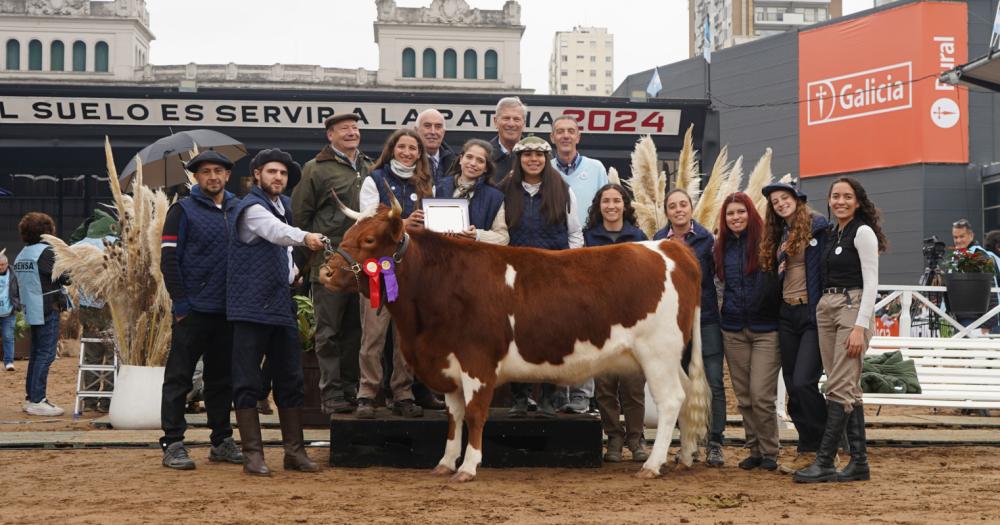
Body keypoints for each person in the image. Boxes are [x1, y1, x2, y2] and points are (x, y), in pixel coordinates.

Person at [229, 148, 325, 476]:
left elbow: (280, 248)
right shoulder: (251, 207)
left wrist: (293, 272)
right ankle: (253, 455)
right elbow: (275, 233)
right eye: (271, 172)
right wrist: (306, 237)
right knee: (246, 380)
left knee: (291, 377)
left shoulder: (283, 207)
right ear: (257, 175)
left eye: (283, 174)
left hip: (280, 302)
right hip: (250, 306)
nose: (278, 178)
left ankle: (294, 452)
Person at [795, 177, 886, 484]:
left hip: (852, 305)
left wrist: (860, 326)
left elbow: (872, 282)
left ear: (857, 201)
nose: (840, 201)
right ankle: (859, 462)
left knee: (837, 386)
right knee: (846, 386)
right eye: (835, 196)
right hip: (828, 306)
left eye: (847, 196)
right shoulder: (833, 232)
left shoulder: (862, 232)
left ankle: (824, 461)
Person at [158, 151, 244, 470]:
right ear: (196, 177)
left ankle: (221, 440)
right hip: (192, 310)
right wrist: (182, 305)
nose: (212, 176)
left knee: (222, 379)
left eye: (218, 171)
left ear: (227, 175)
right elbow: (169, 260)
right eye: (205, 171)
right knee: (180, 377)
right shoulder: (181, 211)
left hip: (228, 310)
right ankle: (173, 442)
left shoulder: (240, 209)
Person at [501, 136, 584, 418]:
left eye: (539, 155)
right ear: (519, 159)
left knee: (553, 336)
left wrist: (569, 267)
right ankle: (520, 398)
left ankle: (551, 397)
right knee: (515, 336)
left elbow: (574, 233)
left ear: (546, 159)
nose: (533, 160)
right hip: (516, 275)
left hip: (554, 275)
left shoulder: (563, 189)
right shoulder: (505, 190)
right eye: (527, 155)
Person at [355, 129, 435, 419]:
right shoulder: (374, 179)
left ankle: (403, 393)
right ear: (392, 149)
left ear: (419, 153)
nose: (407, 152)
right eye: (402, 147)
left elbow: (432, 224)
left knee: (405, 337)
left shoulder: (427, 183)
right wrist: (403, 221)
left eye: (413, 148)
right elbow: (368, 222)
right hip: (378, 269)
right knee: (373, 336)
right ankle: (367, 394)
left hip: (410, 272)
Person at [292, 113, 367, 416]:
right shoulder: (315, 169)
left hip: (361, 266)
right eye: (344, 129)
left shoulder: (369, 167)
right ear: (330, 136)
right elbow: (300, 217)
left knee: (355, 331)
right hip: (329, 264)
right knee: (328, 332)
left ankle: (350, 389)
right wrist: (306, 262)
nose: (351, 132)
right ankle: (331, 393)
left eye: (355, 128)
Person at [758, 181, 830, 474]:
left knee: (804, 381)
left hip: (811, 313)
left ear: (796, 199)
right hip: (787, 314)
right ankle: (806, 446)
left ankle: (827, 442)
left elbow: (825, 270)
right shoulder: (777, 235)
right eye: (775, 201)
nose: (780, 204)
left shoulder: (818, 226)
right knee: (792, 385)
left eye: (784, 198)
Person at [653, 189, 727, 467]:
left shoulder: (708, 241)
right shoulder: (658, 242)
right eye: (673, 206)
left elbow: (718, 278)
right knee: (679, 380)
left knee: (713, 381)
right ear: (667, 211)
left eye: (683, 204)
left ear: (691, 208)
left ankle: (716, 442)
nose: (678, 210)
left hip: (704, 318)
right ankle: (688, 443)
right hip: (671, 325)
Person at [716, 192, 781, 472]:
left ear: (750, 213)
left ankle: (770, 451)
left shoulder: (768, 243)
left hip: (766, 329)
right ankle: (753, 449)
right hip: (733, 329)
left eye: (740, 212)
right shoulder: (719, 248)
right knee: (743, 396)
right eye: (730, 213)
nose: (736, 218)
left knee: (761, 395)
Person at [583, 184, 648, 462]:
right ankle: (613, 438)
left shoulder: (638, 237)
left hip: (633, 322)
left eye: (616, 200)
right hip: (600, 323)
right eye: (606, 201)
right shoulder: (588, 238)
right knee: (605, 386)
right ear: (599, 206)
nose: (611, 206)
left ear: (625, 205)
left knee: (633, 386)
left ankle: (636, 439)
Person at [550, 114, 609, 414]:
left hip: (590, 257)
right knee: (558, 328)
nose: (565, 136)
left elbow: (608, 203)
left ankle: (583, 398)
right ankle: (560, 397)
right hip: (556, 260)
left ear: (579, 136)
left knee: (585, 329)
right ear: (552, 137)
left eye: (571, 131)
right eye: (560, 131)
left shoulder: (596, 169)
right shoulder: (544, 169)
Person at [13, 212, 69, 416]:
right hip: (48, 307)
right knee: (45, 354)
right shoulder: (46, 252)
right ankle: (38, 399)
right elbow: (66, 277)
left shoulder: (23, 253)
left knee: (36, 354)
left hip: (31, 308)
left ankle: (31, 397)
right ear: (47, 231)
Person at [72, 215, 119, 413]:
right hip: (111, 307)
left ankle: (90, 402)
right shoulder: (112, 245)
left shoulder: (78, 248)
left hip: (87, 308)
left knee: (91, 355)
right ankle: (107, 402)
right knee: (111, 355)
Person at [436, 139, 509, 245]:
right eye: (469, 157)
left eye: (480, 160)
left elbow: (503, 238)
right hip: (442, 256)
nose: (473, 163)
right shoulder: (439, 188)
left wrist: (477, 235)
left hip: (476, 258)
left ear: (486, 168)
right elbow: (425, 226)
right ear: (461, 159)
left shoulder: (494, 197)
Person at [948, 219, 1000, 332]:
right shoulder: (958, 255)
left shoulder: (979, 255)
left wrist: (987, 324)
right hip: (963, 318)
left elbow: (990, 288)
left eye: (962, 236)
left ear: (971, 236)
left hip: (977, 321)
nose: (958, 240)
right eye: (955, 237)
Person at [490, 97, 527, 184]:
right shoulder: (482, 156)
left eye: (516, 119)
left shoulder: (538, 155)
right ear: (495, 121)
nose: (511, 124)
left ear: (524, 124)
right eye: (506, 118)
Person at [416, 108, 457, 184]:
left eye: (438, 126)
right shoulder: (406, 162)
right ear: (416, 130)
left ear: (444, 132)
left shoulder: (456, 164)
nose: (433, 132)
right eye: (427, 126)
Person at [0, 250, 19, 372]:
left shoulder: (14, 274)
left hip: (8, 311)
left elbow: (20, 289)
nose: (0, 267)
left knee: (8, 336)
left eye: (2, 264)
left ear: (7, 264)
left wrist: (18, 305)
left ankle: (9, 362)